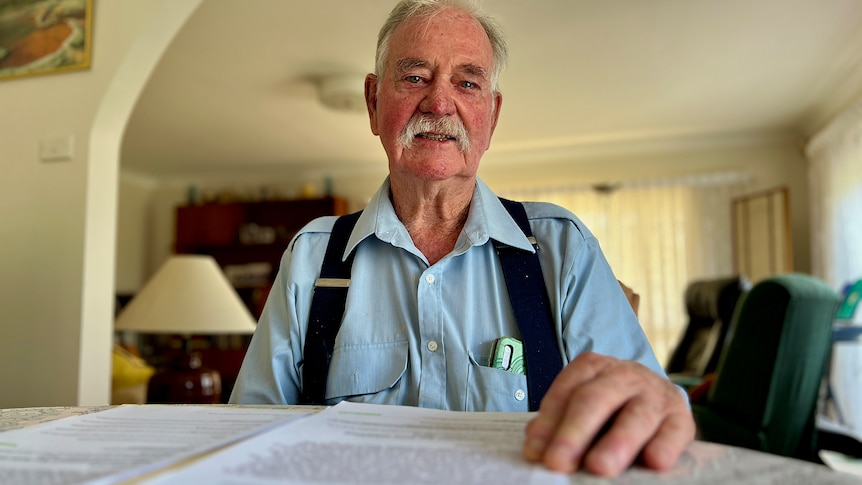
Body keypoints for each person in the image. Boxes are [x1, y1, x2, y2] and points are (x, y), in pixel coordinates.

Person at [230, 0, 694, 476]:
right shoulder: (312, 257)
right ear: (373, 103)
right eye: (415, 77)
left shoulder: (562, 248)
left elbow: (639, 423)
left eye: (467, 82)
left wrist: (653, 405)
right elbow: (247, 436)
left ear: (490, 116)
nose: (438, 103)